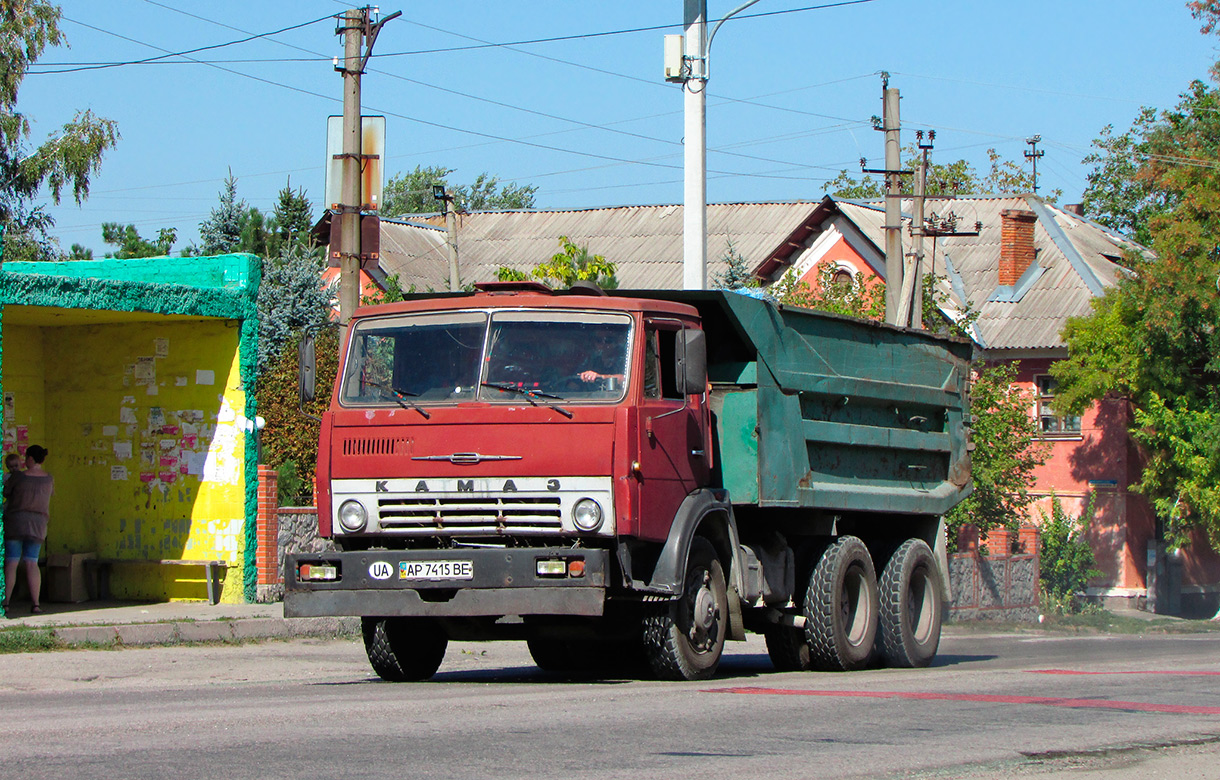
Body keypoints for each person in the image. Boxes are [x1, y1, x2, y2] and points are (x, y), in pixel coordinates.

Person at [3, 445, 53, 614]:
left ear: (30, 459)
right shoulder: (48, 478)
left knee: (11, 562)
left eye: (26, 458)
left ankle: (6, 602)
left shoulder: (19, 477)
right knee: (32, 562)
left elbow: (6, 492)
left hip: (16, 523)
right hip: (38, 525)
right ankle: (36, 604)